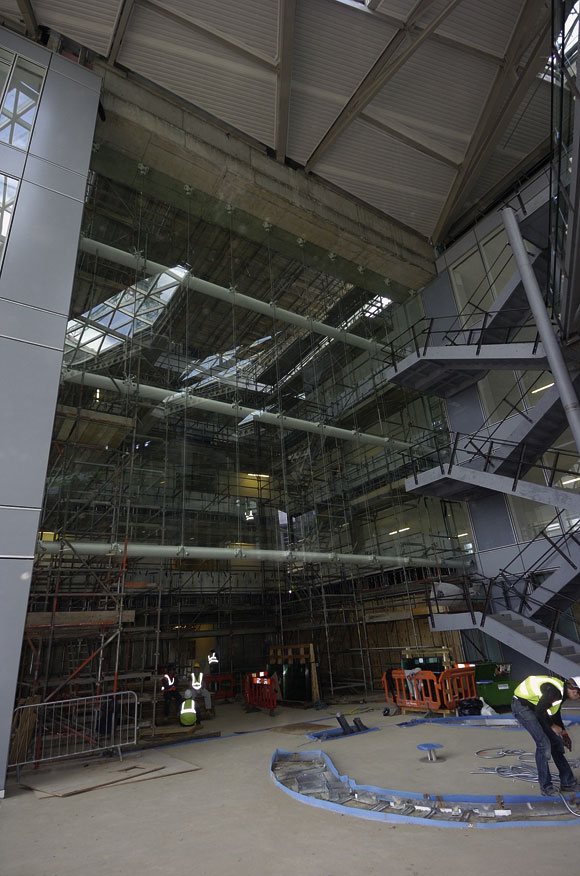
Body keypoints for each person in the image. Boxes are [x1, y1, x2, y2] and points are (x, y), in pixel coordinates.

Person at [512, 674, 580, 796]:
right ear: (575, 692)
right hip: (522, 707)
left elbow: (554, 713)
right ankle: (546, 787)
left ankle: (567, 782)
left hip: (535, 706)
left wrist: (564, 734)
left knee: (556, 743)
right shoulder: (555, 692)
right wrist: (553, 726)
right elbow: (540, 711)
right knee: (544, 745)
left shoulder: (561, 692)